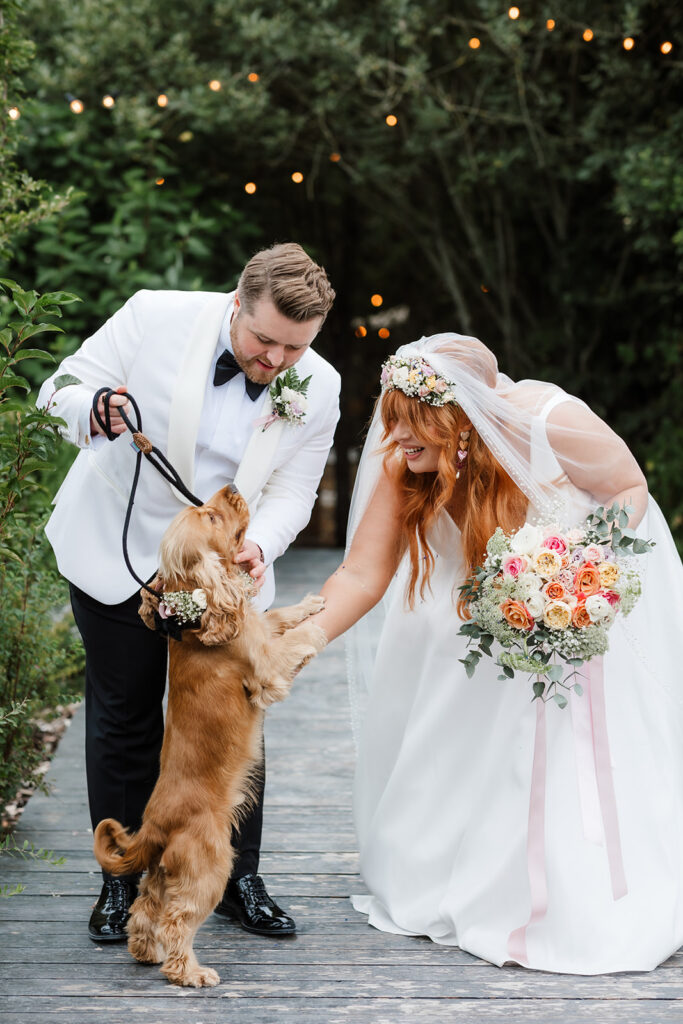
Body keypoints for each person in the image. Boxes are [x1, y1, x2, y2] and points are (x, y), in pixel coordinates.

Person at [309, 332, 683, 974]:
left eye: (413, 423)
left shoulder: (549, 421)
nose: (395, 439)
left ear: (462, 418)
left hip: (564, 615)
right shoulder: (408, 463)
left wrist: (580, 570)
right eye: (390, 420)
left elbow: (627, 488)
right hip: (469, 625)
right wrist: (292, 643)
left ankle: (568, 896)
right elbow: (362, 576)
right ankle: (462, 869)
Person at [38, 242, 340, 941]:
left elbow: (295, 489)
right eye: (263, 340)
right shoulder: (154, 316)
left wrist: (256, 546)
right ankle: (122, 884)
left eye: (292, 350)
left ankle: (239, 876)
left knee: (232, 722)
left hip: (224, 576)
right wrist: (95, 406)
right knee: (126, 715)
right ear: (237, 302)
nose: (273, 362)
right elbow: (59, 388)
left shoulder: (316, 384)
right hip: (119, 546)